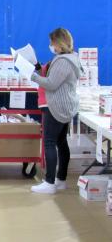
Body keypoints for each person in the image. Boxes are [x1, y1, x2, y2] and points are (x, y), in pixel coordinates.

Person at [30, 28, 80, 194]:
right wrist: (38, 69)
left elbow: (51, 84)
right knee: (61, 143)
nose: (50, 46)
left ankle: (50, 182)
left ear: (59, 43)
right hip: (64, 106)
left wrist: (33, 76)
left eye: (52, 42)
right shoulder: (70, 58)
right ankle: (61, 179)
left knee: (49, 142)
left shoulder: (63, 61)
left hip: (55, 106)